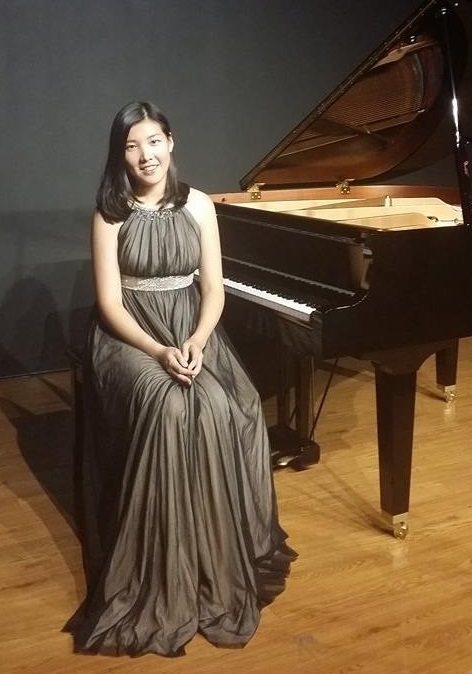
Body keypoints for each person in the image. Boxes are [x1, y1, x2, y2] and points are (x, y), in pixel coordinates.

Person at [63, 100, 297, 658]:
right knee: (168, 405)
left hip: (191, 326)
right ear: (120, 155)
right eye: (131, 145)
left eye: (153, 141)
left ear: (171, 142)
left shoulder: (199, 205)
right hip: (129, 335)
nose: (145, 155)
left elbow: (213, 289)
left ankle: (211, 552)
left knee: (225, 407)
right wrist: (158, 351)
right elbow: (109, 303)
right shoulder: (108, 214)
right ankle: (162, 562)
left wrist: (196, 340)